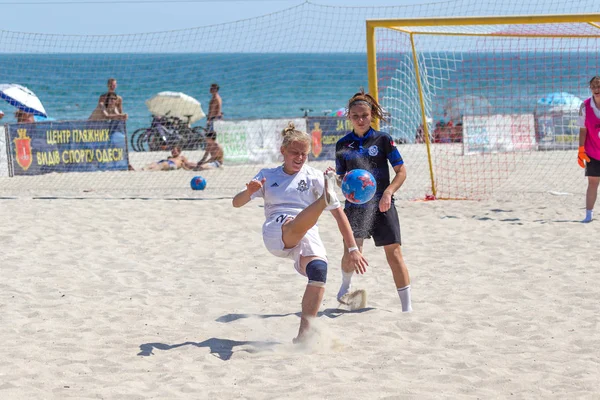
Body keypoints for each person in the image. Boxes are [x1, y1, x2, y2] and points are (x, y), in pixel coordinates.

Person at [232, 122, 368, 343]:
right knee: (308, 212)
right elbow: (236, 203)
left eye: (304, 154)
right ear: (283, 151)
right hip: (278, 228)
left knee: (319, 270)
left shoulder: (313, 176)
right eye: (294, 152)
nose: (299, 158)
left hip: (307, 231)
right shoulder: (268, 175)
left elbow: (340, 216)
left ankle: (303, 336)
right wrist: (248, 192)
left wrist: (353, 248)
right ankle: (327, 196)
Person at [335, 89, 412, 312]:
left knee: (394, 253)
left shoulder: (383, 139)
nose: (360, 120)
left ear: (372, 116)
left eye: (365, 116)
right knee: (352, 251)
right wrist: (336, 179)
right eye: (355, 116)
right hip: (356, 207)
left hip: (382, 204)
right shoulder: (342, 145)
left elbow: (401, 172)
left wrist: (388, 193)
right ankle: (345, 288)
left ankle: (407, 309)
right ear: (349, 116)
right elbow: (343, 179)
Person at [577, 75, 600, 223]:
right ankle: (588, 215)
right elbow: (583, 130)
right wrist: (581, 150)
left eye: (599, 86)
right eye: (593, 87)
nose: (596, 89)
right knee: (592, 183)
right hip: (592, 152)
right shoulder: (585, 106)